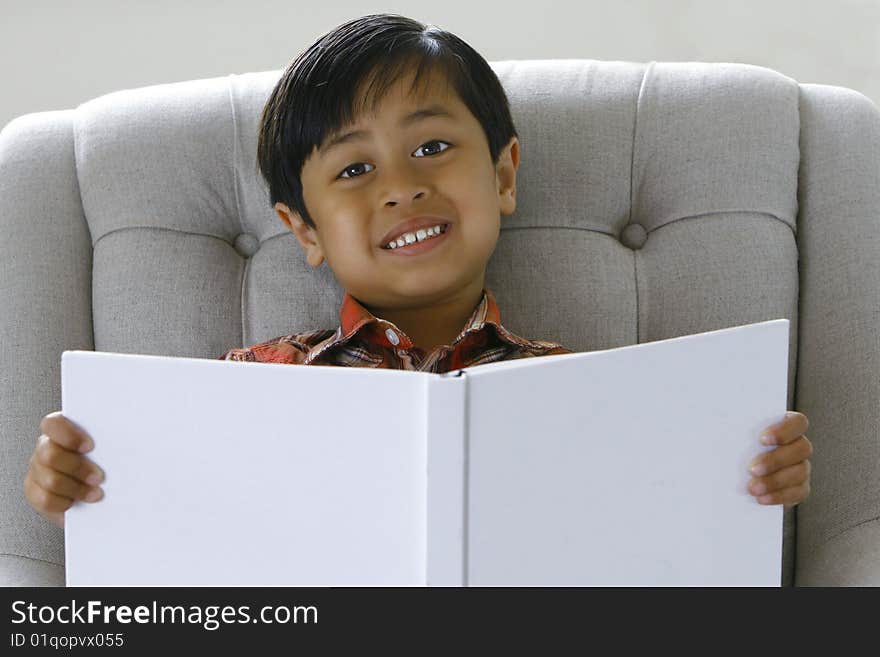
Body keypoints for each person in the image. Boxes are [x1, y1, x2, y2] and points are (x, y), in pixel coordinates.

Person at [23, 13, 812, 531]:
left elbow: (665, 538)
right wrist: (85, 485)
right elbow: (172, 530)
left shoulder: (588, 391)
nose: (401, 186)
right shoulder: (246, 386)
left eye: (432, 147)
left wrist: (746, 477)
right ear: (303, 229)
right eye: (354, 169)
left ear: (504, 176)